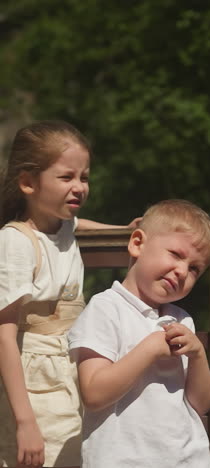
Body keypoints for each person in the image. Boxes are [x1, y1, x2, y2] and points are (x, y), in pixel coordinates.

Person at [0, 120, 140, 468]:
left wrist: (125, 230)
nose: (79, 187)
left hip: (69, 367)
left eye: (84, 177)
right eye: (67, 177)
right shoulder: (15, 242)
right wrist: (25, 421)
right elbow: (3, 334)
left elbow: (79, 225)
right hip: (35, 382)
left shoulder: (61, 225)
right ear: (28, 182)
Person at [68, 199, 210, 468]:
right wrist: (150, 349)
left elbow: (201, 404)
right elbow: (93, 393)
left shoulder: (182, 319)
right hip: (122, 459)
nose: (183, 271)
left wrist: (198, 356)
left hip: (186, 458)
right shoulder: (106, 308)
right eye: (175, 254)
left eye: (195, 268)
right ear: (137, 243)